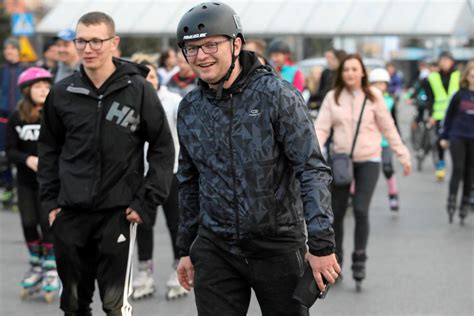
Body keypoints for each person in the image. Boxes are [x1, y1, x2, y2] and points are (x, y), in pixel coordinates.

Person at [175, 3, 340, 315]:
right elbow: (189, 180)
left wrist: (321, 245)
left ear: (236, 44)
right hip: (215, 248)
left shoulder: (277, 95)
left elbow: (312, 169)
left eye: (211, 44)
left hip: (276, 245)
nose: (201, 55)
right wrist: (186, 248)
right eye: (192, 48)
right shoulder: (190, 107)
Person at [37, 11, 175, 315]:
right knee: (73, 305)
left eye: (97, 41)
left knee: (115, 306)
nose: (89, 49)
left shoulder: (138, 90)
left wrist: (146, 201)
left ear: (114, 42)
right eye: (82, 41)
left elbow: (163, 147)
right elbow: (48, 149)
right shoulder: (61, 93)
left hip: (119, 213)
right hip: (69, 213)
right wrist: (49, 204)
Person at [315, 54, 411, 290]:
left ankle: (360, 260)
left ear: (362, 73)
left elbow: (388, 128)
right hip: (340, 162)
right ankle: (336, 261)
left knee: (360, 209)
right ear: (342, 73)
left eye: (354, 69)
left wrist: (403, 154)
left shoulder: (373, 96)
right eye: (346, 69)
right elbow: (321, 129)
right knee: (336, 213)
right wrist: (310, 156)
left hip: (369, 159)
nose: (350, 73)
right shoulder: (332, 97)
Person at [129, 55, 188, 300]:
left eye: (151, 76)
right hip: (139, 175)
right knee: (142, 224)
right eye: (142, 77)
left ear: (158, 78)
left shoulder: (173, 101)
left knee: (176, 224)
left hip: (170, 172)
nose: (147, 81)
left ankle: (179, 271)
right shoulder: (129, 101)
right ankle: (145, 272)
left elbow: (185, 136)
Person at [5, 67, 60, 302]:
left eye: (47, 86)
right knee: (28, 222)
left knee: (47, 224)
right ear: (27, 90)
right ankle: (36, 264)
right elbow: (10, 150)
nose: (43, 90)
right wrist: (27, 159)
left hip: (49, 182)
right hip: (26, 182)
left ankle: (51, 268)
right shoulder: (17, 117)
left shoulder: (55, 114)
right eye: (38, 86)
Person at [440, 61, 474, 224]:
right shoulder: (459, 95)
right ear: (467, 76)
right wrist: (444, 137)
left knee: (470, 173)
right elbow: (449, 117)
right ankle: (452, 199)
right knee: (458, 169)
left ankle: (465, 202)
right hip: (458, 136)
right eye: (472, 75)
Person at [422, 51, 460, 181]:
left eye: (447, 60)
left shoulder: (459, 76)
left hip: (456, 115)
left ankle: (459, 167)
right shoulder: (432, 78)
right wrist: (431, 115)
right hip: (439, 115)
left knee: (457, 142)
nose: (445, 63)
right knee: (441, 141)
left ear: (452, 62)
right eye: (442, 60)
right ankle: (441, 163)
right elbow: (430, 99)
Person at [369, 68, 401, 211]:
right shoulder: (366, 100)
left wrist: (398, 141)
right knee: (362, 169)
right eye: (376, 84)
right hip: (370, 141)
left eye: (382, 84)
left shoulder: (390, 101)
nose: (379, 87)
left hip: (385, 141)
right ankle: (352, 195)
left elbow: (394, 122)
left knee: (387, 168)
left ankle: (393, 195)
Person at [1, 37, 26, 207]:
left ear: (18, 51)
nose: (9, 51)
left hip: (21, 118)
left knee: (21, 153)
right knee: (3, 156)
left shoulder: (26, 71)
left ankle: (21, 190)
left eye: (12, 48)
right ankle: (8, 186)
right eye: (6, 49)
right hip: (2, 119)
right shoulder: (2, 70)